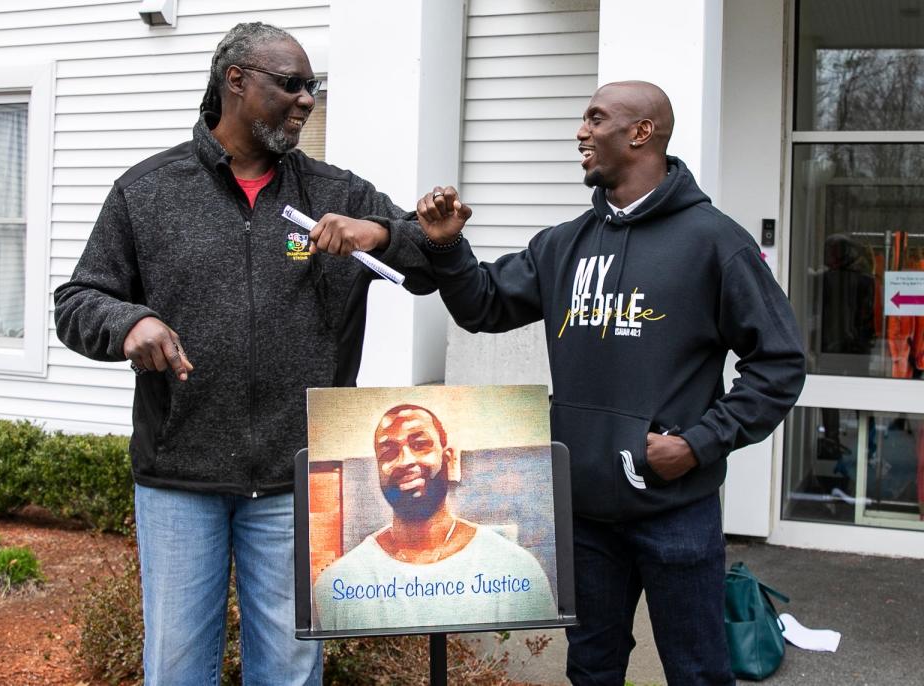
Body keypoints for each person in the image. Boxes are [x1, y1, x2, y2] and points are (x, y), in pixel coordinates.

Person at [53, 22, 434, 686]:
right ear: (237, 80)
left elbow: (428, 261)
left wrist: (381, 231)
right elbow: (77, 299)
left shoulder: (336, 196)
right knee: (176, 670)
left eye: (312, 88)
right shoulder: (147, 193)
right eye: (291, 85)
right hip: (180, 481)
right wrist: (129, 322)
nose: (307, 100)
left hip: (295, 482)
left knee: (290, 672)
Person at [416, 81, 807, 685]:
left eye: (595, 119)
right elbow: (485, 307)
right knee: (592, 669)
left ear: (641, 132)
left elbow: (780, 362)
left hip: (675, 509)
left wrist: (699, 444)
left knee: (697, 672)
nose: (581, 132)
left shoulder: (715, 242)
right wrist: (448, 249)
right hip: (585, 510)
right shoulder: (564, 244)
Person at [313, 403, 557, 631]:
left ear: (448, 458)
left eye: (420, 445)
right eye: (389, 452)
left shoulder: (516, 570)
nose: (406, 461)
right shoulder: (337, 585)